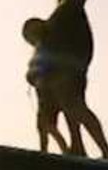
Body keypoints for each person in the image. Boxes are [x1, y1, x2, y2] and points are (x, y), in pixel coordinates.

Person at [36, 0, 108, 160]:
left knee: (72, 98)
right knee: (65, 97)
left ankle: (106, 153)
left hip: (75, 39)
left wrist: (50, 23)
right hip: (63, 39)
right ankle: (77, 145)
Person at [21, 17, 72, 154]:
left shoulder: (47, 46)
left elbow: (49, 64)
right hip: (41, 91)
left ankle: (65, 150)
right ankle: (44, 151)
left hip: (52, 89)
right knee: (42, 125)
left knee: (49, 124)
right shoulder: (38, 49)